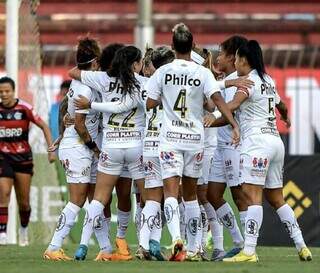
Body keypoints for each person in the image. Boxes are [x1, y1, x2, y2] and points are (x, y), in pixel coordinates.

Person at [207, 40, 312, 262]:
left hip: (256, 144)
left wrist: (212, 118)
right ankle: (302, 246)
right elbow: (281, 105)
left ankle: (249, 251)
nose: (234, 62)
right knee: (277, 198)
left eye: (236, 58)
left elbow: (233, 106)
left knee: (252, 196)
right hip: (275, 142)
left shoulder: (248, 82)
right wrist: (284, 116)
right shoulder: (269, 80)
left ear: (244, 60)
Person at [146, 23, 240, 261]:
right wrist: (234, 124)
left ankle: (177, 238)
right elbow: (216, 101)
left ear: (172, 46)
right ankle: (195, 248)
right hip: (194, 141)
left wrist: (166, 98)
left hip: (170, 140)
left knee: (170, 192)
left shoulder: (163, 72)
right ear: (191, 45)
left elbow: (149, 103)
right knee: (191, 195)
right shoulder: (203, 73)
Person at [68, 45, 145, 261]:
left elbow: (72, 73)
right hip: (136, 147)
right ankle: (140, 243)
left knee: (98, 199)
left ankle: (83, 244)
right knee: (148, 199)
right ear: (134, 64)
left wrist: (90, 64)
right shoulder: (142, 83)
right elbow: (124, 106)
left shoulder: (101, 78)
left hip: (110, 146)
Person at [43, 37, 109, 261]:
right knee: (77, 200)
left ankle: (105, 249)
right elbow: (80, 125)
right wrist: (95, 148)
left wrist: (63, 132)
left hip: (82, 146)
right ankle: (53, 246)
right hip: (79, 147)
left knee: (95, 199)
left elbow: (65, 106)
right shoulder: (85, 89)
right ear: (95, 61)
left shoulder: (80, 80)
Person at [207, 36, 250, 261]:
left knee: (239, 196)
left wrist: (208, 120)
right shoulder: (225, 79)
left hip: (234, 145)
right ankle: (238, 240)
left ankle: (247, 248)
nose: (218, 57)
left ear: (232, 57)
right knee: (212, 194)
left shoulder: (238, 80)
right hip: (220, 147)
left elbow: (229, 112)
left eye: (221, 53)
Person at [0, 76, 55, 246]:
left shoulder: (25, 108)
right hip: (3, 158)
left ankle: (23, 229)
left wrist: (51, 149)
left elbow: (44, 126)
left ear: (13, 91)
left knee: (24, 203)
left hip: (23, 159)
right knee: (4, 194)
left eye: (7, 91)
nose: (4, 94)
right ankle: (2, 233)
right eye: (1, 92)